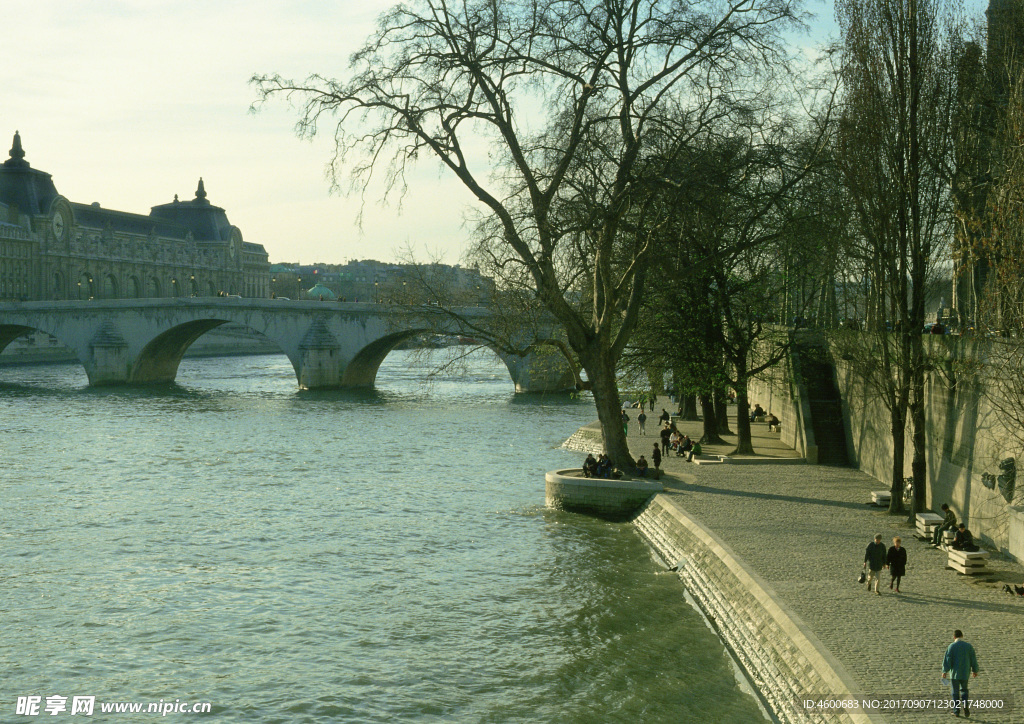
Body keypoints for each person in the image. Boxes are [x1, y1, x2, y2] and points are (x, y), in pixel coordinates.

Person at [942, 629, 979, 717]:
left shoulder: (951, 646)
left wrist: (944, 671)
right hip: (965, 673)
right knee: (964, 690)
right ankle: (965, 706)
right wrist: (975, 670)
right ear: (962, 636)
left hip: (954, 674)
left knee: (955, 692)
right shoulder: (968, 646)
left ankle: (956, 711)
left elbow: (948, 660)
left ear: (954, 637)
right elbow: (973, 659)